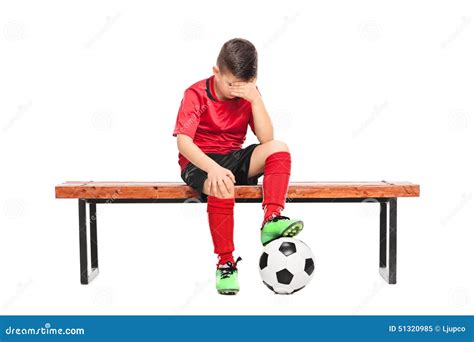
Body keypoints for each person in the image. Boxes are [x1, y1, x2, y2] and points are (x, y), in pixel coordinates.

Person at [172, 38, 303, 295]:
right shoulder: (196, 94)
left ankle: (272, 219)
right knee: (221, 182)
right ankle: (226, 263)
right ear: (216, 72)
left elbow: (266, 139)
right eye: (231, 84)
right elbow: (184, 142)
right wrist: (212, 168)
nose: (236, 91)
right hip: (200, 161)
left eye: (245, 85)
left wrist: (256, 100)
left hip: (233, 158)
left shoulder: (249, 94)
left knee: (279, 148)